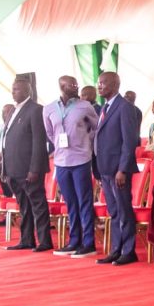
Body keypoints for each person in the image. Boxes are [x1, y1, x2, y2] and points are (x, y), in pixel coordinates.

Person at [43, 76, 99, 258]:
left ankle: (88, 243)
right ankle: (74, 241)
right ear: (61, 86)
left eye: (76, 84)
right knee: (70, 202)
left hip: (81, 159)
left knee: (84, 201)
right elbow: (50, 132)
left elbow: (97, 127)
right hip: (61, 161)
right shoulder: (49, 108)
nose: (76, 86)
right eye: (71, 84)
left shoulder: (85, 106)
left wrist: (86, 141)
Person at [94, 72, 141, 265]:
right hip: (105, 168)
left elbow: (129, 142)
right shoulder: (104, 108)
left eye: (103, 83)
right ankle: (116, 249)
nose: (99, 86)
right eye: (98, 83)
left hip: (118, 170)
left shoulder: (125, 107)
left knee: (124, 210)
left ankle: (128, 251)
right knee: (114, 211)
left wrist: (122, 169)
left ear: (114, 84)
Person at [2, 79, 51, 252]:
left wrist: (34, 168)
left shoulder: (36, 110)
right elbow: (7, 139)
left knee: (38, 205)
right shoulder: (12, 110)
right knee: (24, 206)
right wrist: (5, 169)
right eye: (12, 89)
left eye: (16, 89)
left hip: (29, 169)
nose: (13, 92)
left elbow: (39, 141)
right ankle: (27, 239)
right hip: (13, 169)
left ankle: (44, 241)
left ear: (27, 91)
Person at [0, 104, 15, 197]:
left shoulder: (14, 127)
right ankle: (8, 196)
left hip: (11, 158)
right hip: (1, 160)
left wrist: (3, 154)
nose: (4, 114)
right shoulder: (0, 127)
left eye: (7, 112)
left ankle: (13, 195)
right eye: (3, 112)